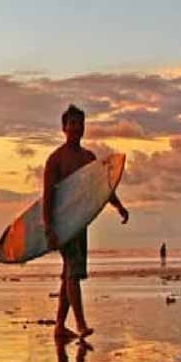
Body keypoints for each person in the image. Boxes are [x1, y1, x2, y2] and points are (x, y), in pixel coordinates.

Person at [44, 104, 129, 339]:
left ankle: (60, 326)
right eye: (72, 123)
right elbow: (48, 196)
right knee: (73, 271)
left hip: (80, 224)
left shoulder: (88, 158)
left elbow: (102, 188)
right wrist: (49, 228)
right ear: (64, 127)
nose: (76, 128)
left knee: (68, 273)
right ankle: (81, 324)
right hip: (62, 226)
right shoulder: (56, 160)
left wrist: (118, 206)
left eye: (80, 124)